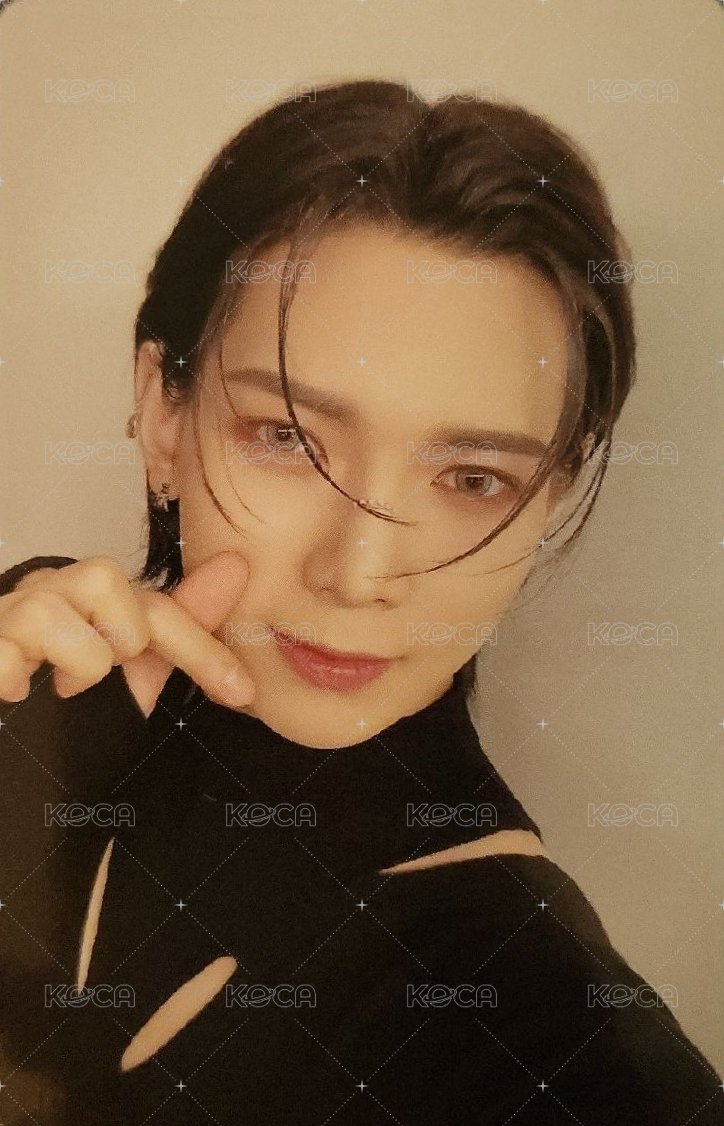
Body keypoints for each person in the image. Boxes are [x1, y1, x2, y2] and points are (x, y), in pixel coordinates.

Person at [0, 79, 721, 1125]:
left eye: (472, 478)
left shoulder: (531, 1013)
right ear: (162, 411)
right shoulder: (34, 654)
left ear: (548, 501)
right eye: (288, 437)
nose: (360, 572)